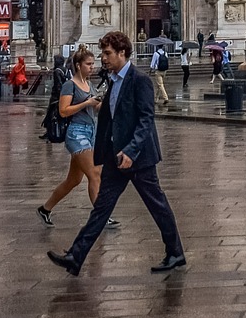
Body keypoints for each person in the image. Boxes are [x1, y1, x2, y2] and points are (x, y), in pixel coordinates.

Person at [47, 31, 186, 277]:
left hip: (138, 158)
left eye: (107, 53)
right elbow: (112, 117)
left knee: (157, 204)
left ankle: (175, 252)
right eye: (102, 53)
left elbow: (146, 120)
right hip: (116, 156)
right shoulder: (113, 81)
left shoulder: (140, 80)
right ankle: (76, 256)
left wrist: (131, 150)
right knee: (101, 207)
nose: (103, 58)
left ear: (122, 53)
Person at [39, 45, 117, 230]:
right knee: (95, 174)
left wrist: (104, 102)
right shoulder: (70, 85)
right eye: (88, 64)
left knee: (73, 180)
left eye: (92, 64)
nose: (92, 67)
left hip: (91, 131)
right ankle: (101, 216)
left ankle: (45, 209)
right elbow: (63, 111)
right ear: (78, 65)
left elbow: (94, 108)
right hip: (76, 133)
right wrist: (86, 103)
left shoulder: (89, 85)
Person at [147, 43, 171, 107]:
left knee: (160, 85)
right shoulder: (165, 53)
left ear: (157, 46)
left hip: (158, 71)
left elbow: (152, 64)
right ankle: (156, 99)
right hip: (164, 71)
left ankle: (166, 98)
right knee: (159, 85)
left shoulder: (156, 54)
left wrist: (150, 71)